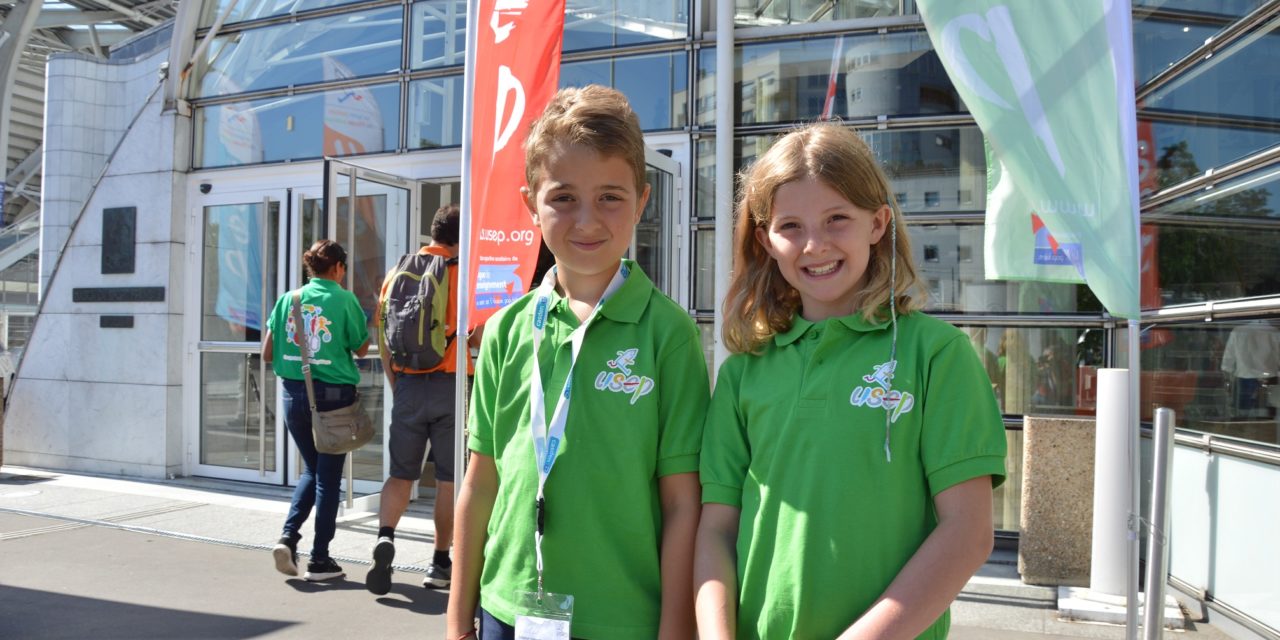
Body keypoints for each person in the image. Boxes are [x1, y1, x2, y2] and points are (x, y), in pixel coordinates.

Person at [693, 123, 1007, 639]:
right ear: (765, 240)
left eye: (837, 219)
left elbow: (967, 534)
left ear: (878, 223)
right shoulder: (743, 372)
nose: (815, 245)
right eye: (790, 226)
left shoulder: (937, 355)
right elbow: (716, 529)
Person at [445, 85, 709, 640]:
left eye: (610, 197)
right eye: (563, 197)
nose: (586, 220)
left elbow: (684, 502)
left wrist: (674, 628)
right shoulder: (507, 330)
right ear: (530, 204)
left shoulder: (669, 335)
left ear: (641, 202)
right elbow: (480, 481)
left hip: (624, 619)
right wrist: (456, 620)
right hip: (506, 610)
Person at [366, 204, 482, 595]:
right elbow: (477, 337)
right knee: (450, 480)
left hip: (409, 387)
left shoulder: (397, 274)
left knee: (401, 474)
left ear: (432, 234)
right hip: (452, 385)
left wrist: (398, 385)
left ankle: (385, 536)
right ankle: (438, 562)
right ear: (459, 237)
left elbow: (384, 339)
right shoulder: (462, 276)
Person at [263, 239, 371, 581]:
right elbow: (363, 348)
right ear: (338, 267)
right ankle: (320, 559)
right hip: (333, 398)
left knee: (312, 469)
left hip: (293, 395)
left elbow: (267, 353)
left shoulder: (288, 300)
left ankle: (288, 538)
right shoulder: (344, 298)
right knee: (327, 478)